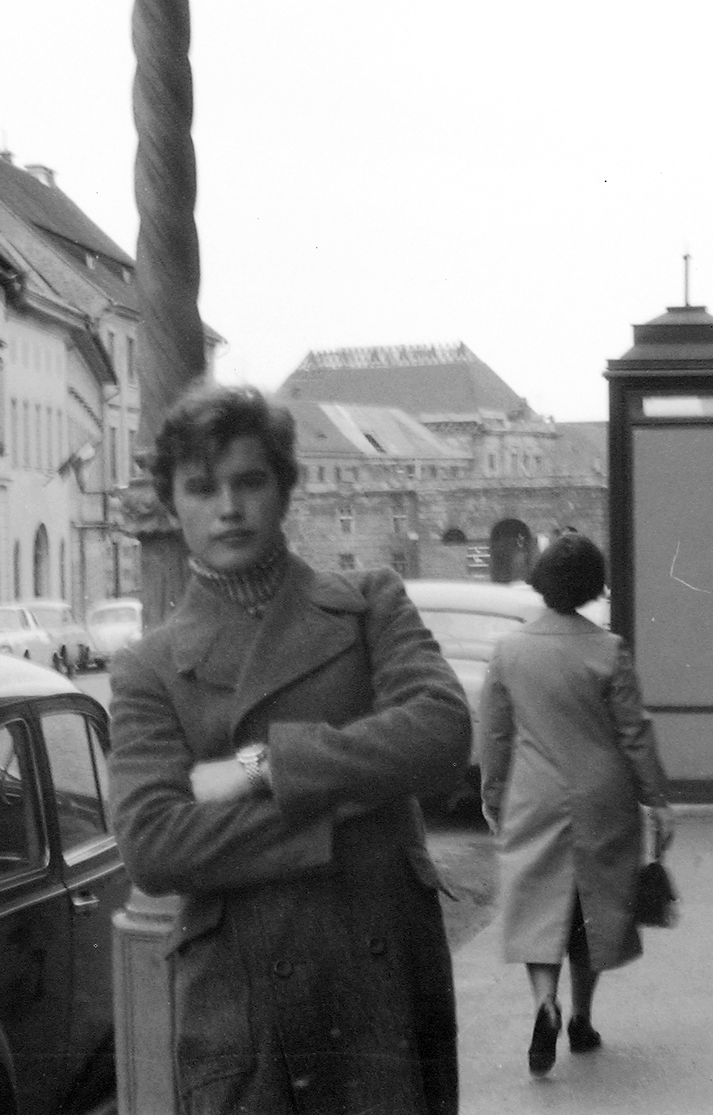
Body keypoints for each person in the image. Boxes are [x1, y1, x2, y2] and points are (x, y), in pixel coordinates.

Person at [107, 384, 471, 1115]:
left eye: (250, 481)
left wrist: (259, 768)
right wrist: (344, 803)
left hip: (382, 983)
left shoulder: (368, 601)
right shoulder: (150, 666)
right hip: (246, 1007)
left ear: (286, 487)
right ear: (172, 505)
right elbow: (154, 840)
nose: (229, 508)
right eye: (202, 488)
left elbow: (440, 730)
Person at [477, 534, 674, 1078]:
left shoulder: (509, 650)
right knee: (594, 906)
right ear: (593, 586)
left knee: (539, 904)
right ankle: (583, 1018)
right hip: (602, 796)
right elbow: (634, 733)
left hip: (534, 795)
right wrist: (657, 800)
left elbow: (494, 734)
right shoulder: (609, 650)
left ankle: (545, 1004)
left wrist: (493, 794)